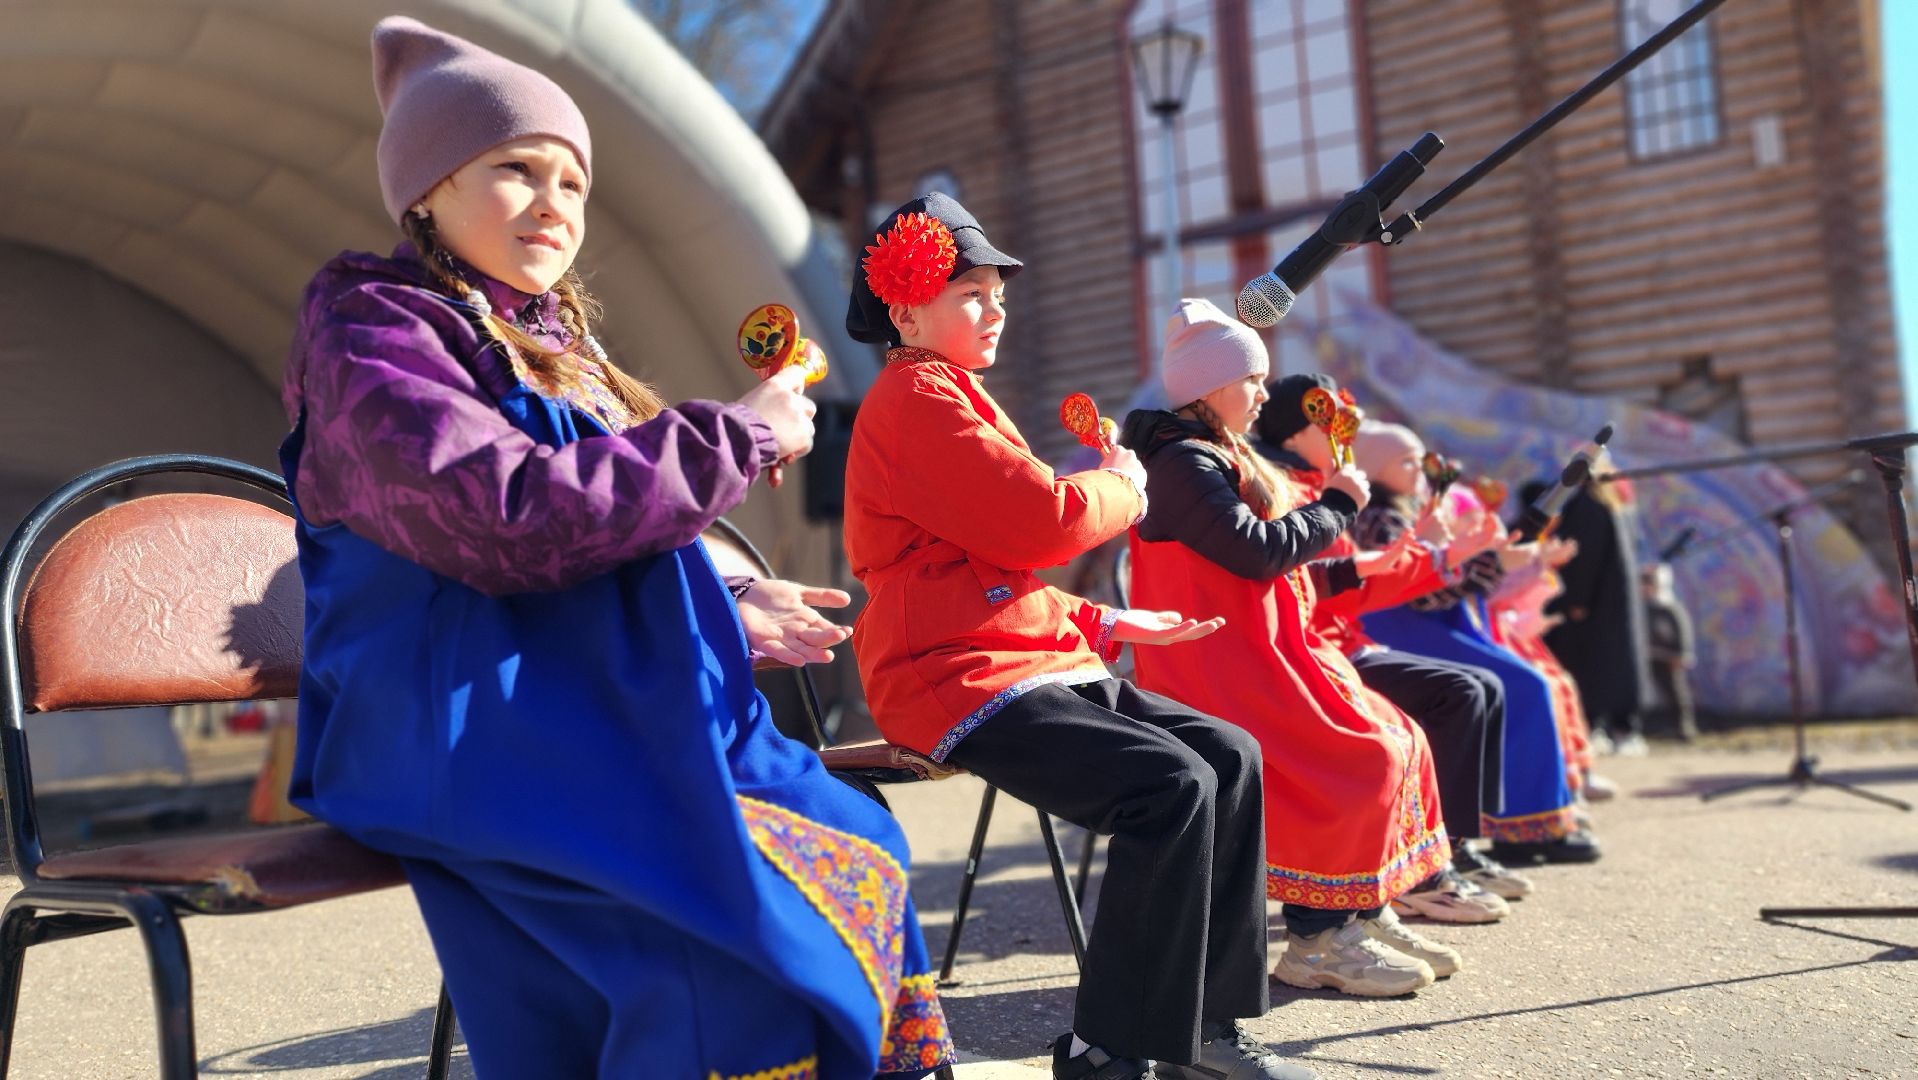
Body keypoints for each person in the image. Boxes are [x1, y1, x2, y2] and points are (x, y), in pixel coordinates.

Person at [279, 19, 953, 1078]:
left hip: (569, 707)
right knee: (723, 949)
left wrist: (715, 606)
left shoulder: (559, 349)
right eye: (514, 167)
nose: (553, 201)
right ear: (427, 191)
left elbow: (591, 539)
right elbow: (503, 517)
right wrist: (741, 432)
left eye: (572, 181)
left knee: (852, 843)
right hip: (458, 721)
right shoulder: (377, 333)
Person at [842, 200, 1309, 1080]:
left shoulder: (947, 394)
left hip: (1016, 661)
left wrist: (1105, 620)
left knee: (1230, 755)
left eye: (997, 293)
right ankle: (1107, 1049)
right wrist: (1124, 488)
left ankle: (1202, 1027)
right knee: (1169, 785)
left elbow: (995, 576)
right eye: (968, 291)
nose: (994, 307)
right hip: (952, 677)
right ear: (905, 312)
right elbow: (1037, 524)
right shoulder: (914, 397)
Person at [1120, 300, 1462, 1000]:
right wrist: (1336, 503)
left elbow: (1283, 569)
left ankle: (1359, 908)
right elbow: (1253, 552)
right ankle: (1315, 939)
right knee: (1358, 759)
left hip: (1262, 651)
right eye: (1252, 379)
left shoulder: (1218, 453)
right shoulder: (1181, 461)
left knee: (1398, 737)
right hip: (1215, 665)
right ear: (1213, 386)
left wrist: (1356, 564)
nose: (1260, 395)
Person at [1254, 375, 1533, 907]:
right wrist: (1438, 558)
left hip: (1344, 642)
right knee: (1463, 693)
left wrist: (1443, 556)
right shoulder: (1297, 495)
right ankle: (1425, 866)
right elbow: (1331, 589)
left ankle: (1451, 847)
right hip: (1319, 649)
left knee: (1484, 687)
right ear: (1293, 436)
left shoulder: (1321, 490)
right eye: (1333, 421)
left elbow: (1354, 583)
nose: (1347, 432)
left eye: (1349, 421)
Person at [1355, 423, 1600, 865]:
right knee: (1520, 687)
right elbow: (1418, 589)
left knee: (1529, 683)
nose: (1419, 470)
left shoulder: (1407, 512)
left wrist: (1495, 559)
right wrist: (1491, 561)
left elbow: (1441, 577)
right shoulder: (1379, 519)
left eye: (1421, 460)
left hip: (1437, 624)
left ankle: (1528, 822)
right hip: (1402, 629)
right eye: (1406, 462)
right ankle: (1519, 828)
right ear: (1374, 470)